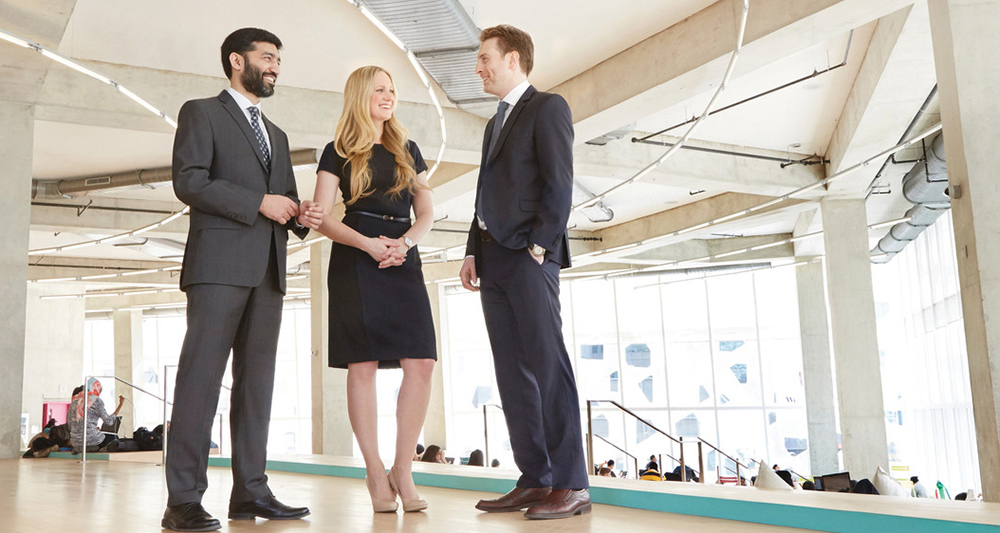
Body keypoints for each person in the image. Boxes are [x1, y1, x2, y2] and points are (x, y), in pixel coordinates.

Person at [161, 27, 319, 532]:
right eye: (267, 57)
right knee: (199, 383)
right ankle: (182, 499)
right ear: (236, 60)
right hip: (217, 269)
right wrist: (257, 202)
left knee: (258, 387)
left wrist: (300, 214)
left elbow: (282, 204)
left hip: (268, 272)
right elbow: (190, 180)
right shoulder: (201, 112)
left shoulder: (278, 135)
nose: (275, 66)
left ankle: (251, 492)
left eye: (279, 60)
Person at [460, 24, 589, 520]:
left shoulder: (547, 107)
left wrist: (540, 244)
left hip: (530, 258)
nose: (479, 67)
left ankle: (572, 483)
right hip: (493, 260)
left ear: (513, 59)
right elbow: (485, 193)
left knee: (547, 368)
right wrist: (473, 249)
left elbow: (560, 182)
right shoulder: (495, 122)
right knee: (512, 374)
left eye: (486, 58)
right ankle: (536, 479)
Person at [311, 65, 436, 514]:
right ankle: (373, 470)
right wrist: (367, 244)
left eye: (391, 90)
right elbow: (323, 215)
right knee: (361, 365)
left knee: (420, 361)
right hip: (356, 253)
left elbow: (426, 211)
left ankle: (403, 469)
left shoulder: (408, 148)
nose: (388, 96)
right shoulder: (337, 151)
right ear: (361, 95)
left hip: (403, 254)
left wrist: (404, 244)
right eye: (379, 89)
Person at [68, 378, 124, 452]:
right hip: (92, 440)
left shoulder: (74, 401)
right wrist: (121, 404)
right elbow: (109, 421)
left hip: (75, 441)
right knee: (113, 437)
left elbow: (69, 424)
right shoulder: (96, 401)